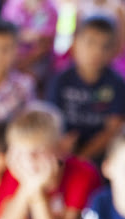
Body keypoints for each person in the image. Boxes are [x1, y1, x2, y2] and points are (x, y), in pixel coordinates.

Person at [48, 16, 125, 163]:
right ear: (76, 43)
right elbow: (52, 121)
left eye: (105, 46)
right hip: (63, 151)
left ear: (113, 51)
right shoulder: (60, 80)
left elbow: (112, 130)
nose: (97, 51)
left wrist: (81, 157)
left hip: (101, 157)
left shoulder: (117, 83)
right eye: (90, 43)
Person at [2, 0, 59, 92]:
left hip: (38, 62)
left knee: (28, 80)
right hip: (12, 57)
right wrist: (30, 36)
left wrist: (23, 63)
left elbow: (44, 45)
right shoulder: (14, 3)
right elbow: (7, 33)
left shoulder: (50, 8)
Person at [76, 0, 125, 79]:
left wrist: (103, 58)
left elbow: (121, 43)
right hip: (87, 61)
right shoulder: (82, 9)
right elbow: (77, 39)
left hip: (113, 61)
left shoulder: (118, 9)